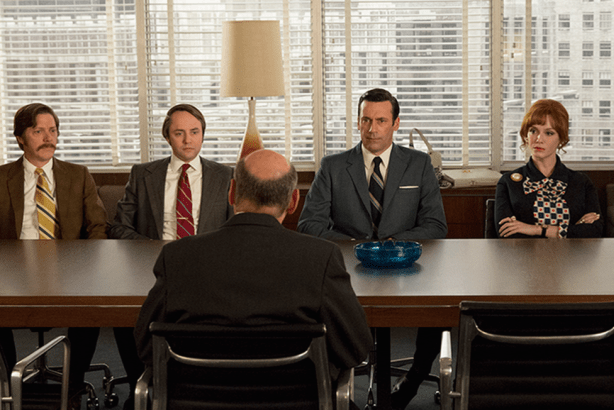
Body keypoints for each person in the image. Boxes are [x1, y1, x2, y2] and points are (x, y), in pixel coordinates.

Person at [134, 149, 372, 397]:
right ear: (293, 201)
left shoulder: (177, 256)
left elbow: (146, 347)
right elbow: (354, 348)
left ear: (231, 192)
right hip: (295, 401)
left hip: (196, 400)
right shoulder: (321, 258)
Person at [297, 88, 447, 410]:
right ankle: (340, 393)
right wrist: (359, 247)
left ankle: (413, 382)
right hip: (349, 268)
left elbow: (436, 225)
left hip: (408, 268)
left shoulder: (419, 164)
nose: (372, 128)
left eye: (381, 121)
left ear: (395, 124)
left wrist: (392, 246)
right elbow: (309, 224)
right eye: (366, 120)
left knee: (438, 306)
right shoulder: (333, 166)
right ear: (358, 122)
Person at [108, 103, 233, 409]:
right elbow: (118, 227)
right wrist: (153, 249)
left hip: (209, 270)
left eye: (194, 132)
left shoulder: (225, 175)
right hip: (154, 268)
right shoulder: (143, 174)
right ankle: (140, 385)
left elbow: (236, 229)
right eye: (179, 133)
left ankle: (202, 386)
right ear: (167, 137)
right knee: (124, 315)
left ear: (203, 135)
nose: (188, 139)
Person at [0, 103, 107, 406]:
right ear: (20, 138)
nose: (49, 138)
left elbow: (98, 226)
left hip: (70, 270)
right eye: (38, 131)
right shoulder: (2, 177)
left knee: (91, 308)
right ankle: (10, 383)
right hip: (13, 272)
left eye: (53, 130)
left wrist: (89, 265)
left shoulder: (78, 175)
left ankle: (72, 387)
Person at [496, 99, 603, 238]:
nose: (539, 139)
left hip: (573, 253)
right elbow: (507, 234)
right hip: (522, 253)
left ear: (561, 139)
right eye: (533, 131)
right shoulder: (508, 182)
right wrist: (572, 229)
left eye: (549, 133)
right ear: (526, 135)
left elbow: (595, 232)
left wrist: (535, 229)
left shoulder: (581, 182)